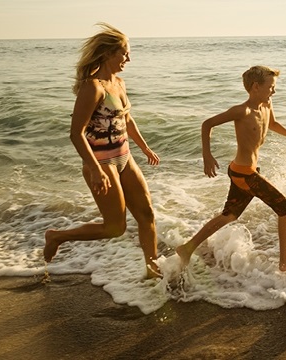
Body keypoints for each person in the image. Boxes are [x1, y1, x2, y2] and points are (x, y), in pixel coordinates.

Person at [44, 23, 161, 279]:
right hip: (101, 162)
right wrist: (95, 170)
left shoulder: (119, 83)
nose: (128, 59)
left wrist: (145, 148)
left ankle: (153, 270)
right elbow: (76, 134)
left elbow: (126, 120)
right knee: (115, 228)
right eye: (124, 53)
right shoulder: (92, 87)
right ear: (108, 53)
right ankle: (57, 236)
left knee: (147, 214)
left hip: (124, 157)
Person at [175, 65, 286, 272]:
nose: (274, 91)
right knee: (285, 207)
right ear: (256, 87)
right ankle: (285, 261)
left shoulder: (266, 104)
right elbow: (207, 124)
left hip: (244, 171)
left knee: (229, 216)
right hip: (244, 174)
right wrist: (207, 155)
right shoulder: (242, 111)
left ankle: (187, 248)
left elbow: (272, 124)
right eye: (271, 87)